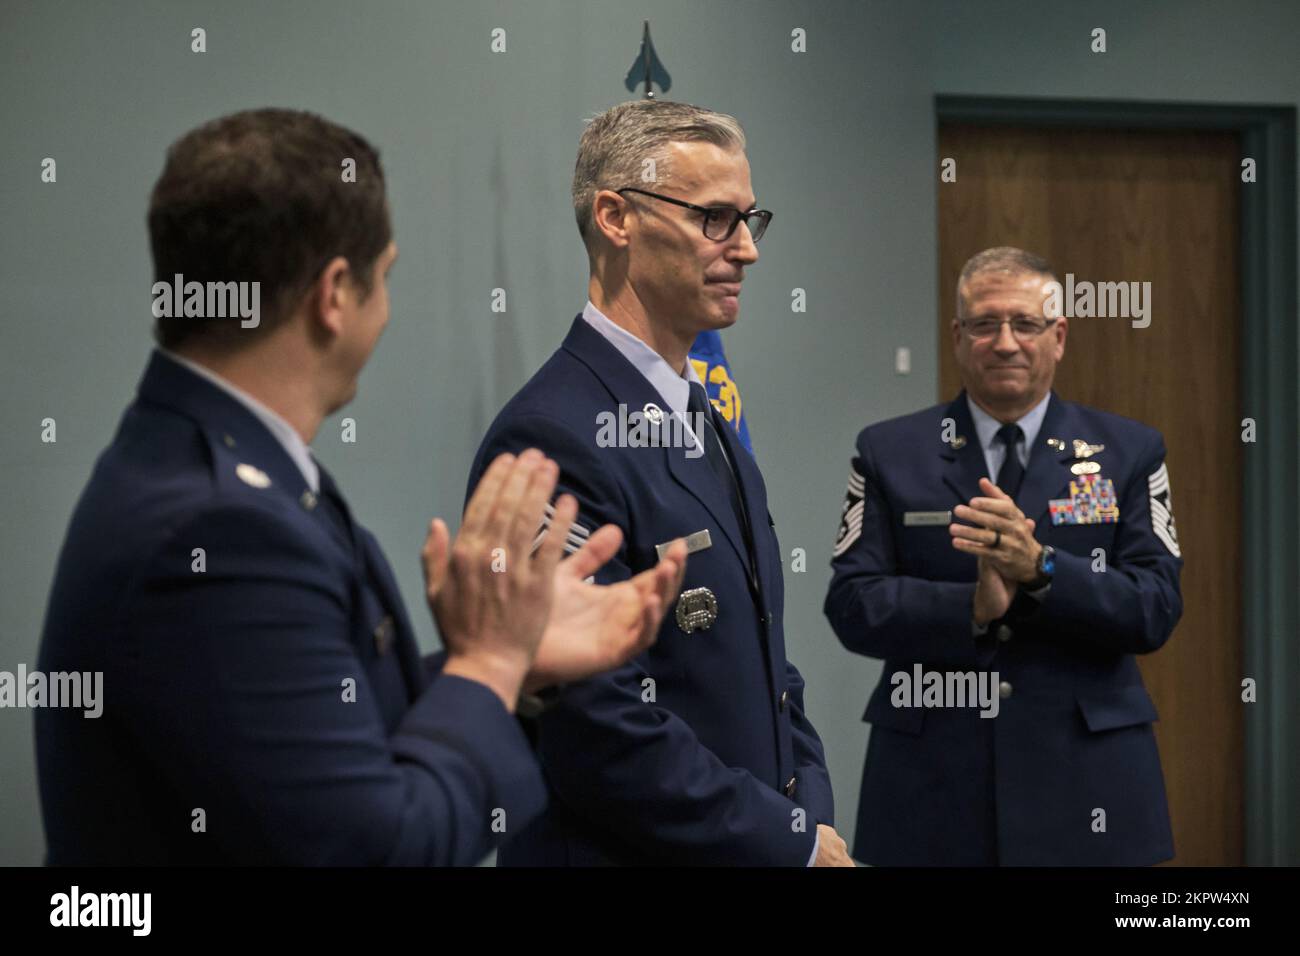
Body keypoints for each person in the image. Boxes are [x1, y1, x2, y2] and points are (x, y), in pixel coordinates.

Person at [35, 108, 685, 866]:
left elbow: (304, 745)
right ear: (335, 294)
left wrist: (519, 663)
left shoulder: (194, 459)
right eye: (387, 276)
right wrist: (489, 664)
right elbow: (377, 848)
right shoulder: (222, 526)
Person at [467, 100, 851, 866]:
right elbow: (594, 724)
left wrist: (807, 807)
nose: (746, 250)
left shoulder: (704, 418)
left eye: (750, 219)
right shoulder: (556, 433)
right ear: (616, 217)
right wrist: (790, 842)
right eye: (716, 218)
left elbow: (769, 665)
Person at [825, 246, 1183, 865]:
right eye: (986, 324)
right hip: (932, 785)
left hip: (1087, 779)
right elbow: (853, 603)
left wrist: (1042, 570)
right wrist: (971, 606)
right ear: (959, 338)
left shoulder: (1129, 450)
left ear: (1059, 336)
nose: (1006, 342)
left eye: (1026, 324)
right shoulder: (890, 451)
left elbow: (1154, 606)